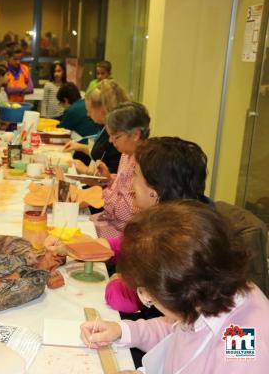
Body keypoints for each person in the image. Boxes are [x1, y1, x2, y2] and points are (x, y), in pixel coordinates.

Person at [80, 200, 269, 374]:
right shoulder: (211, 287)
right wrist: (122, 330)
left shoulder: (242, 346)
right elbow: (180, 333)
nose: (148, 300)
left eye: (147, 294)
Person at [104, 137, 209, 313]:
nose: (131, 185)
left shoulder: (171, 240)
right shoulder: (191, 216)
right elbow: (123, 243)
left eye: (135, 175)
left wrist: (115, 281)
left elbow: (123, 298)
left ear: (154, 191)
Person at [91, 102, 150, 238]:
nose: (111, 141)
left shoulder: (142, 162)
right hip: (112, 222)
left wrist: (104, 192)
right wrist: (109, 179)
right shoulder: (126, 154)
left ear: (135, 134)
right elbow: (122, 187)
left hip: (124, 233)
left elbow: (126, 215)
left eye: (116, 137)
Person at [63, 79, 130, 174]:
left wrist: (85, 170)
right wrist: (80, 147)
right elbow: (101, 152)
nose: (88, 115)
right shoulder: (106, 127)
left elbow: (113, 177)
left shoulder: (118, 137)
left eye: (90, 111)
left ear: (103, 109)